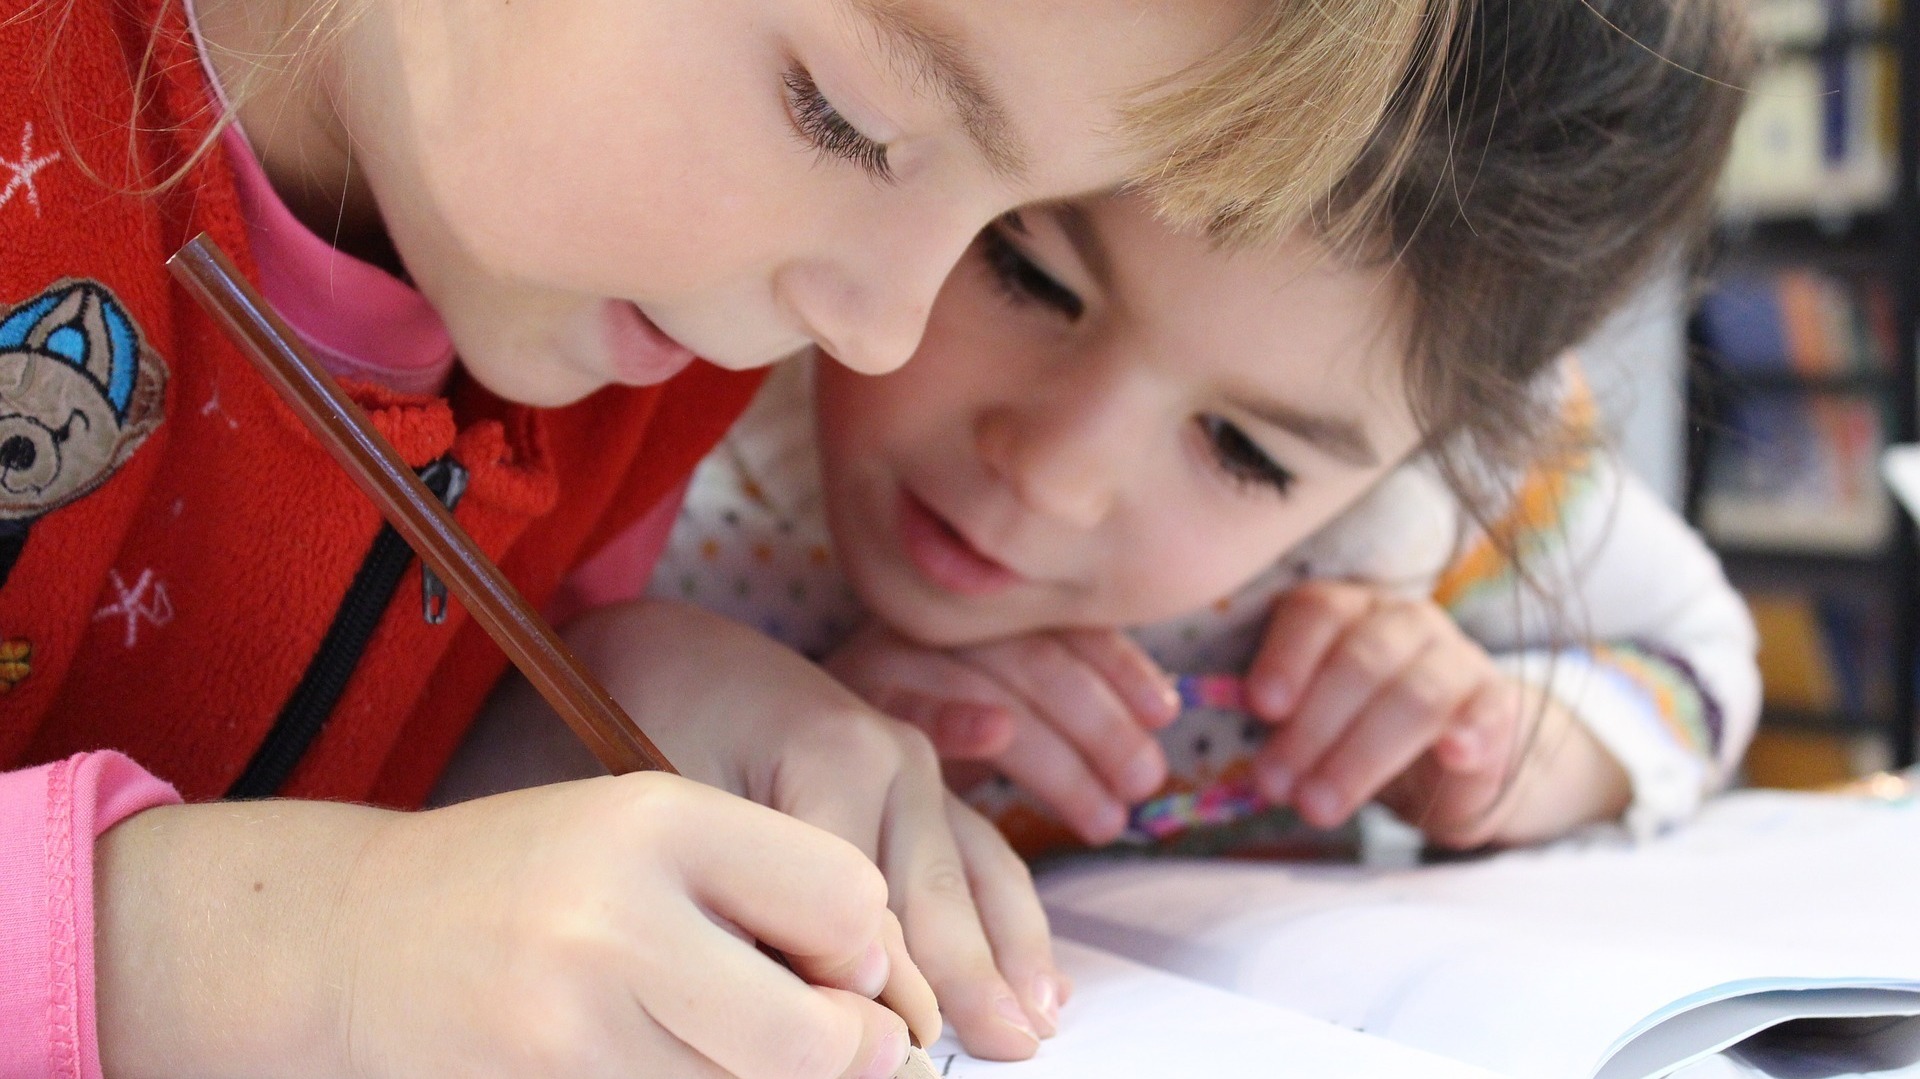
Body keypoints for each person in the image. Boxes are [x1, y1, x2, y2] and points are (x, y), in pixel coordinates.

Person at [0, 0, 1465, 1075]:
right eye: (852, 120)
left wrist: (599, 709)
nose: (882, 327)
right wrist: (301, 953)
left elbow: (329, 757)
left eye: (1007, 215)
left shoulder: (642, 340)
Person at [581, 0, 1760, 857]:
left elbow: (1700, 656)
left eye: (1247, 451)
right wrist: (742, 728)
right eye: (1028, 276)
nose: (1053, 475)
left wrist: (1520, 748)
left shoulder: (1435, 512)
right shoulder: (677, 369)